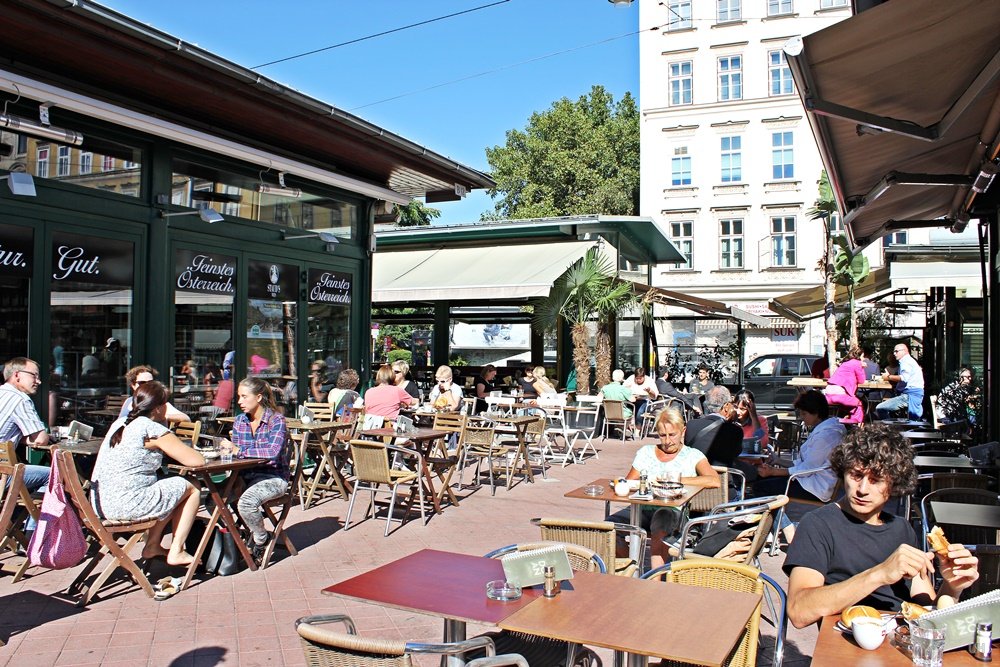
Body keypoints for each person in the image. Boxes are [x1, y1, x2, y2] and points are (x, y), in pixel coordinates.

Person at [784, 423, 979, 628]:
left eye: (876, 480)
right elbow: (799, 611)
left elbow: (928, 615)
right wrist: (879, 574)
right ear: (843, 473)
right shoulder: (818, 525)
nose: (862, 489)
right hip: (847, 645)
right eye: (856, 475)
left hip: (902, 644)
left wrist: (952, 587)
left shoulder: (901, 529)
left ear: (893, 483)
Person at [90, 381, 204, 566]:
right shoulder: (150, 428)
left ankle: (152, 545)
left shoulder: (119, 424)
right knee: (192, 487)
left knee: (169, 486)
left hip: (100, 504)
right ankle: (177, 551)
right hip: (127, 504)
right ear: (159, 408)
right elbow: (196, 461)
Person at [609, 408, 720, 568]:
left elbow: (714, 480)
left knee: (661, 523)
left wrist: (675, 479)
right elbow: (629, 482)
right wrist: (623, 484)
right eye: (662, 435)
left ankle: (656, 581)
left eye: (672, 435)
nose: (667, 441)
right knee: (609, 528)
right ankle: (634, 568)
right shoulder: (646, 452)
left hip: (674, 510)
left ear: (683, 431)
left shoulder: (693, 455)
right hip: (640, 508)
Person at [754, 390, 846, 542]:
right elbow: (806, 464)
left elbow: (806, 469)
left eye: (804, 414)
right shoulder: (826, 430)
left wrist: (773, 472)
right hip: (811, 480)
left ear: (816, 413)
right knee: (764, 483)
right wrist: (778, 461)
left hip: (815, 486)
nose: (802, 418)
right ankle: (774, 527)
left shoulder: (826, 435)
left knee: (762, 487)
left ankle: (785, 528)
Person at [217, 377, 291, 563]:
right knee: (213, 500)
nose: (239, 402)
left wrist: (238, 451)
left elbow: (272, 452)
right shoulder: (240, 421)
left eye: (244, 396)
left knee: (246, 503)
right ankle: (239, 532)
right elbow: (238, 453)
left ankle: (261, 539)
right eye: (238, 397)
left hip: (273, 477)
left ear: (258, 397)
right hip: (244, 475)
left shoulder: (276, 420)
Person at [0, 357, 51, 535]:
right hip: (1, 478)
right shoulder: (19, 399)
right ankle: (32, 534)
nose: (38, 381)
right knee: (54, 476)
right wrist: (30, 438)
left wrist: (19, 437)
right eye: (34, 375)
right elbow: (41, 439)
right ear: (17, 375)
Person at [684, 386, 742, 468]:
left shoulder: (690, 425)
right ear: (726, 406)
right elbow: (737, 454)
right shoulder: (735, 430)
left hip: (696, 475)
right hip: (723, 477)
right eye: (731, 404)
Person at [118, 365, 190, 423]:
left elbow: (186, 418)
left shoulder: (157, 401)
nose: (147, 386)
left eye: (150, 383)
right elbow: (120, 421)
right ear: (133, 385)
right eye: (142, 383)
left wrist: (163, 416)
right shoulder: (129, 401)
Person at [876, 343, 925, 420]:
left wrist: (888, 377)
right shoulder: (908, 361)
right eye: (894, 352)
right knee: (913, 420)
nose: (894, 354)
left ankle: (889, 429)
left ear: (905, 351)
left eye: (896, 351)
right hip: (913, 394)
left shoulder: (905, 361)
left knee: (880, 408)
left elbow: (904, 378)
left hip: (909, 395)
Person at [823, 346, 867, 424]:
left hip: (828, 395)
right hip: (840, 395)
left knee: (847, 407)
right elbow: (861, 380)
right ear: (859, 356)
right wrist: (862, 367)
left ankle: (841, 422)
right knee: (858, 404)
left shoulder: (845, 363)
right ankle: (856, 427)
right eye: (863, 356)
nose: (863, 358)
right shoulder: (857, 363)